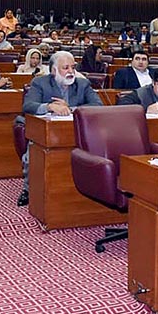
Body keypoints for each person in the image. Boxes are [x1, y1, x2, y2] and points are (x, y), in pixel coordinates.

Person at [19, 50, 104, 206]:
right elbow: (28, 105)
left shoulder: (82, 83)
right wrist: (50, 106)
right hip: (47, 132)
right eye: (66, 68)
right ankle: (28, 189)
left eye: (73, 67)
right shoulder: (40, 83)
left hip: (77, 131)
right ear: (53, 70)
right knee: (33, 153)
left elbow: (98, 105)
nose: (71, 71)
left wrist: (70, 108)